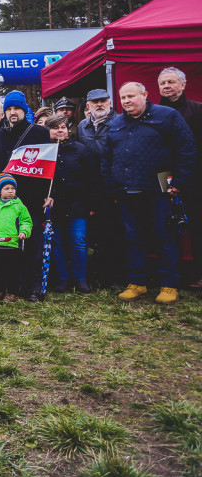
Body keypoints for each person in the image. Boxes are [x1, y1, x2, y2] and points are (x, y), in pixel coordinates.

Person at [101, 82, 196, 304]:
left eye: (131, 96)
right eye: (122, 97)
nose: (126, 101)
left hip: (159, 191)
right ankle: (137, 283)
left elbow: (187, 149)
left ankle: (169, 285)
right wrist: (111, 188)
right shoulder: (115, 124)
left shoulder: (167, 116)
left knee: (165, 237)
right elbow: (106, 159)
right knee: (133, 238)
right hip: (126, 192)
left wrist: (178, 182)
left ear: (144, 95)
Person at [0, 90, 52, 295]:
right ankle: (12, 286)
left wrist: (48, 193)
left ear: (24, 110)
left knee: (32, 243)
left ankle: (33, 286)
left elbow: (48, 166)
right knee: (9, 246)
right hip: (7, 199)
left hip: (32, 198)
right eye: (9, 109)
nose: (13, 112)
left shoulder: (39, 133)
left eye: (16, 108)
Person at [77, 88, 126, 289]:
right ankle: (97, 275)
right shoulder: (82, 126)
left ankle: (116, 277)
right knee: (95, 232)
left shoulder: (122, 122)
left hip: (113, 185)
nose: (99, 104)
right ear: (88, 105)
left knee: (115, 232)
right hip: (90, 186)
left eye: (103, 100)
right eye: (95, 101)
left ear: (110, 102)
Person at [158, 66, 202, 288]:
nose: (166, 86)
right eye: (163, 83)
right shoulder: (151, 113)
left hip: (194, 181)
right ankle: (169, 275)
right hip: (161, 179)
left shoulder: (197, 110)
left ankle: (198, 274)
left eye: (171, 82)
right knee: (165, 228)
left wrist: (184, 180)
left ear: (183, 85)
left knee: (197, 228)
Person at [41, 114, 95, 294]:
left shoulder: (81, 150)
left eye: (62, 127)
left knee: (78, 242)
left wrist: (92, 204)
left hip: (77, 205)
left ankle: (80, 279)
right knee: (57, 244)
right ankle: (62, 279)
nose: (60, 131)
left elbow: (92, 178)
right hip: (54, 206)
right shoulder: (43, 152)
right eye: (55, 128)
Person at [0, 174, 33, 301]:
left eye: (13, 188)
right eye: (6, 188)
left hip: (13, 245)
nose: (10, 191)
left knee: (12, 270)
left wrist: (24, 232)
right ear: (0, 190)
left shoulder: (20, 206)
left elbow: (26, 221)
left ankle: (12, 293)